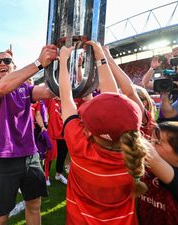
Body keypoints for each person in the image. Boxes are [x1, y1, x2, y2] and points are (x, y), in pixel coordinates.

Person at [58, 42, 148, 224]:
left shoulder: (79, 147)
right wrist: (101, 57)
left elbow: (66, 97)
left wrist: (63, 61)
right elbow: (113, 103)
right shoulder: (134, 153)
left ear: (90, 131)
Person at [0, 44, 57, 225]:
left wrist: (61, 64)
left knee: (34, 205)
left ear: (14, 66)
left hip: (30, 155)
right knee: (1, 215)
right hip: (4, 159)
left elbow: (50, 90)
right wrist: (39, 63)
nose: (2, 63)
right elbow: (3, 88)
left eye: (7, 61)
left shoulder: (26, 89)